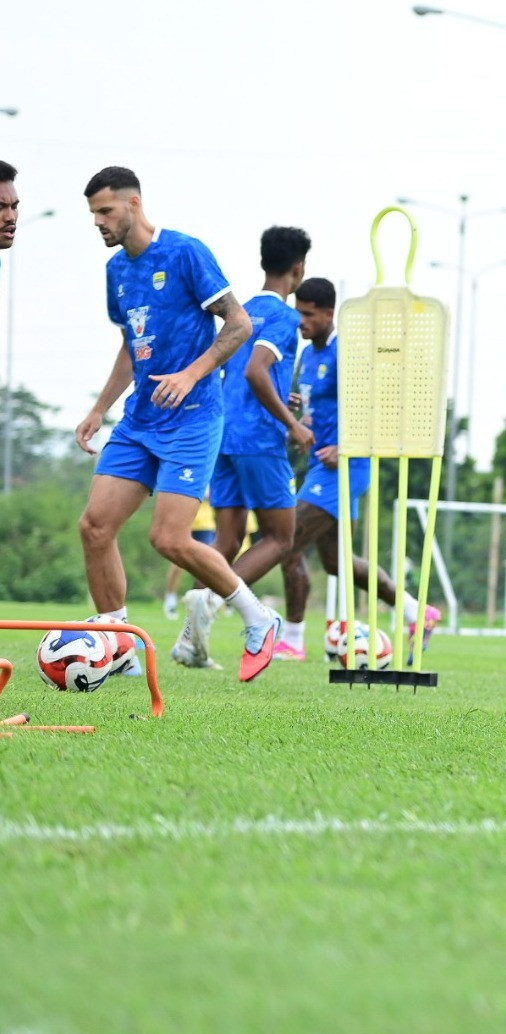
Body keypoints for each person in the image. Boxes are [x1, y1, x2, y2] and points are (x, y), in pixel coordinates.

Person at [72, 166, 280, 681]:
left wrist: (191, 374)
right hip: (140, 420)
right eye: (93, 214)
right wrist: (100, 408)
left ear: (134, 204)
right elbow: (131, 343)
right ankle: (117, 641)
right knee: (95, 527)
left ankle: (260, 618)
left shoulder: (185, 252)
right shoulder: (116, 272)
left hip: (192, 419)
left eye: (105, 211)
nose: (98, 222)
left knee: (169, 539)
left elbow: (240, 324)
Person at [233, 278, 416, 666]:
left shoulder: (348, 353)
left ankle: (293, 639)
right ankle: (417, 612)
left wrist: (348, 446)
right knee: (337, 563)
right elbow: (321, 407)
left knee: (286, 538)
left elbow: (383, 406)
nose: (300, 320)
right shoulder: (307, 356)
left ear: (329, 314)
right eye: (298, 311)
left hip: (347, 465)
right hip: (320, 464)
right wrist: (294, 404)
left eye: (308, 314)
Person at [174, 226, 314, 664]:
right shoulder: (287, 319)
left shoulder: (243, 310)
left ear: (262, 263)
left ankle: (188, 642)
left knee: (228, 538)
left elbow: (238, 373)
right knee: (281, 536)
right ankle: (215, 601)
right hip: (259, 439)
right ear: (299, 268)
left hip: (224, 435)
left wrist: (279, 394)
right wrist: (292, 422)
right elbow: (257, 371)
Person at [162, 496, 219, 620]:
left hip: (205, 525)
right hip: (185, 522)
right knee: (177, 565)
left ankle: (201, 602)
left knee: (204, 566)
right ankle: (170, 600)